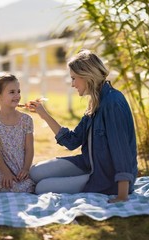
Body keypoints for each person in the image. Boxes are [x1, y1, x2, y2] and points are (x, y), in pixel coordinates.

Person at [28, 49, 138, 202]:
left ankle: (85, 181)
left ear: (87, 76)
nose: (72, 84)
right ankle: (79, 178)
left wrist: (122, 195)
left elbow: (121, 152)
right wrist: (43, 114)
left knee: (42, 187)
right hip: (88, 163)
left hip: (106, 178)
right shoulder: (95, 101)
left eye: (74, 78)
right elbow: (72, 141)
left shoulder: (112, 103)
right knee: (35, 172)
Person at [0, 72, 35, 193]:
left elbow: (29, 148)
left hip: (20, 166)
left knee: (27, 187)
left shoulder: (26, 120)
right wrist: (6, 173)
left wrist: (26, 168)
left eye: (18, 91)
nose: (17, 95)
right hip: (1, 168)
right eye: (12, 92)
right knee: (8, 187)